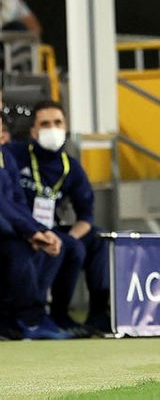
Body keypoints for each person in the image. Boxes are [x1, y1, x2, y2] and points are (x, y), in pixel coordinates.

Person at [7, 100, 111, 335]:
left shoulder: (70, 166)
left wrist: (70, 237)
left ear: (65, 127)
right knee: (69, 247)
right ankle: (51, 314)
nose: (52, 129)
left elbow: (86, 216)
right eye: (45, 124)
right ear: (33, 131)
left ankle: (97, 314)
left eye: (57, 123)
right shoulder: (15, 154)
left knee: (97, 239)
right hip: (22, 225)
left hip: (52, 227)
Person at [0, 102, 69, 340]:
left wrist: (40, 230)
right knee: (20, 250)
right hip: (6, 231)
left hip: (11, 228)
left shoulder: (6, 158)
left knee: (51, 247)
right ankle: (30, 319)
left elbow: (18, 201)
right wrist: (30, 232)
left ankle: (26, 318)